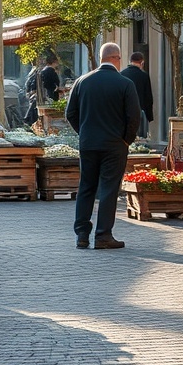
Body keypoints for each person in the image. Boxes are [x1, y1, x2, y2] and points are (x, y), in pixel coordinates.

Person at [66, 42, 140, 250]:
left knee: (86, 187)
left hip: (88, 143)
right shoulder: (125, 83)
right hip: (114, 144)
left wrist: (84, 132)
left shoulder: (82, 82)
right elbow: (134, 117)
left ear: (101, 58)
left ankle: (82, 233)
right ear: (116, 58)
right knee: (108, 189)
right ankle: (103, 235)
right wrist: (126, 139)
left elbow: (70, 113)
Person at [120, 51, 154, 139]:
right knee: (140, 140)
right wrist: (149, 117)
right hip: (140, 114)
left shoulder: (122, 74)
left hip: (124, 114)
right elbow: (148, 98)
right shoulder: (144, 76)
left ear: (130, 61)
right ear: (142, 62)